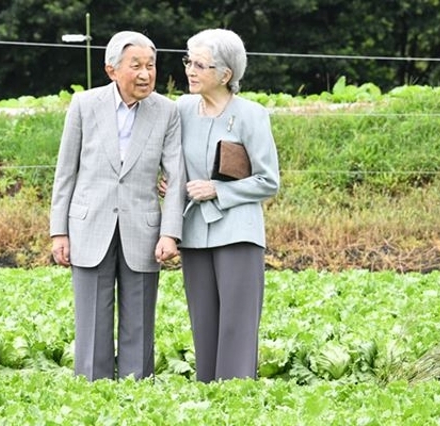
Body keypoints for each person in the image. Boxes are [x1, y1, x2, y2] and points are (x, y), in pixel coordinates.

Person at [49, 31, 185, 381]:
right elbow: (66, 172)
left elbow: (177, 176)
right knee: (91, 319)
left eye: (151, 66)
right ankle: (94, 391)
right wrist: (58, 231)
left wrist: (170, 233)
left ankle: (135, 392)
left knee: (139, 319)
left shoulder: (167, 112)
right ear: (112, 70)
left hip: (143, 227)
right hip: (88, 224)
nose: (145, 74)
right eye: (136, 66)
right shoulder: (84, 104)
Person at [177, 28, 280, 382]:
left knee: (237, 325)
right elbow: (173, 161)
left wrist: (218, 190)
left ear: (225, 74)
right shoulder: (182, 110)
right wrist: (169, 183)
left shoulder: (252, 115)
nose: (190, 70)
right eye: (189, 61)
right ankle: (208, 399)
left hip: (238, 232)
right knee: (203, 323)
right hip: (194, 233)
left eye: (200, 64)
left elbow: (269, 181)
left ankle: (235, 400)